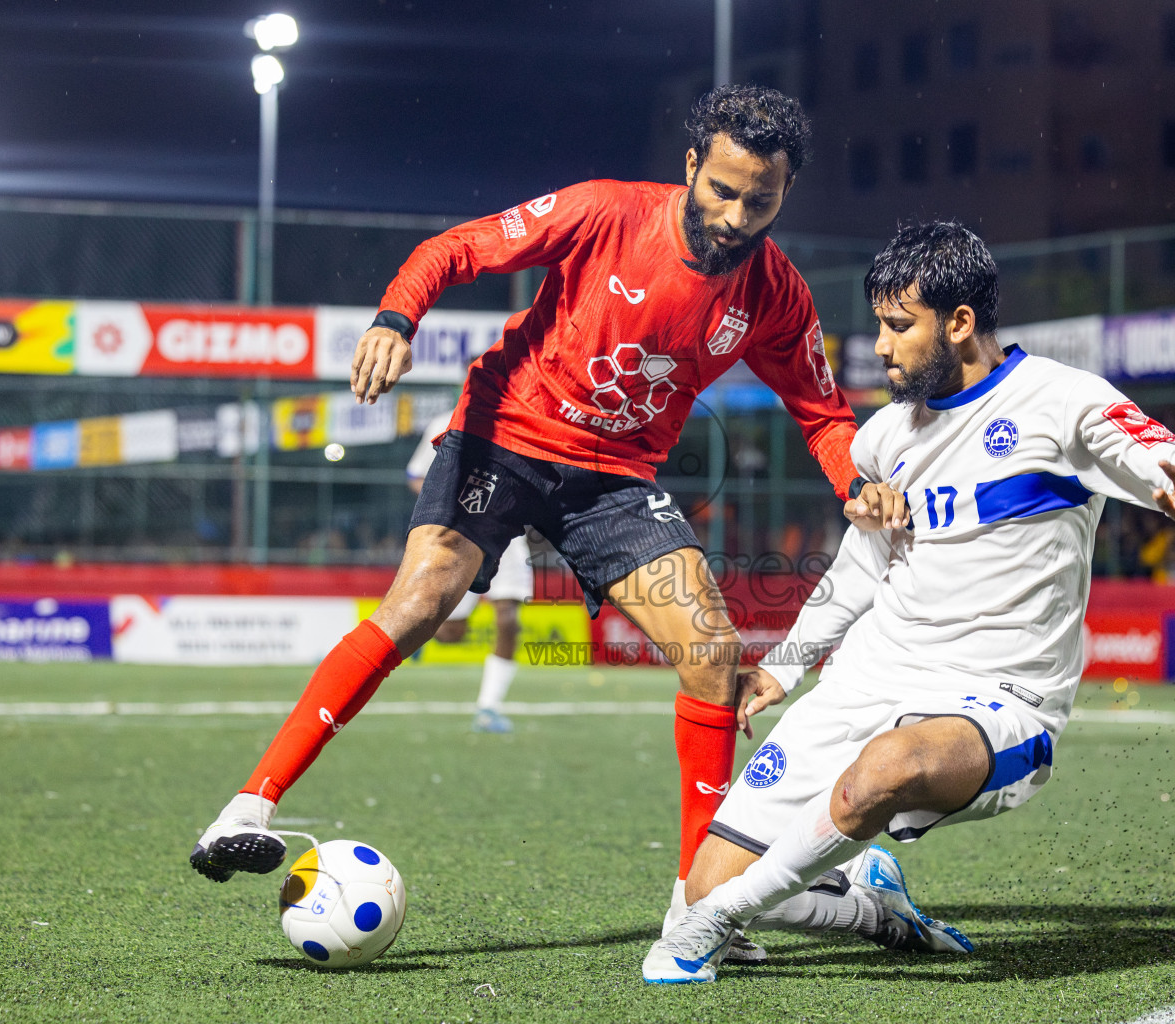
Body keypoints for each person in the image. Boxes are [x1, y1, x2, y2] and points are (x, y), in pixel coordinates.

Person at [189, 88, 887, 961]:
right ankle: (248, 807)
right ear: (691, 170)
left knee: (712, 652)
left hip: (616, 482)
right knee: (417, 606)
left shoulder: (776, 292)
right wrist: (397, 318)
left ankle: (697, 903)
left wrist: (855, 482)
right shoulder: (606, 211)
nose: (737, 215)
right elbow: (458, 248)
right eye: (723, 189)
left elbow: (821, 412)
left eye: (762, 200)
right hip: (503, 438)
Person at [644, 221, 1175, 984]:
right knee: (704, 877)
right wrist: (785, 669)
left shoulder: (1065, 404)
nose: (882, 348)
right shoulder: (886, 436)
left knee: (877, 776)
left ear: (959, 324)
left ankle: (713, 926)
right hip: (869, 679)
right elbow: (861, 566)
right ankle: (868, 910)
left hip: (1000, 698)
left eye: (898, 327)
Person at [406, 412, 530, 734]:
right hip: (462, 533)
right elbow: (416, 475)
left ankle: (488, 708)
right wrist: (447, 502)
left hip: (509, 536)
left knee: (509, 620)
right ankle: (418, 634)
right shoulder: (443, 423)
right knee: (450, 633)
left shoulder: (524, 418)